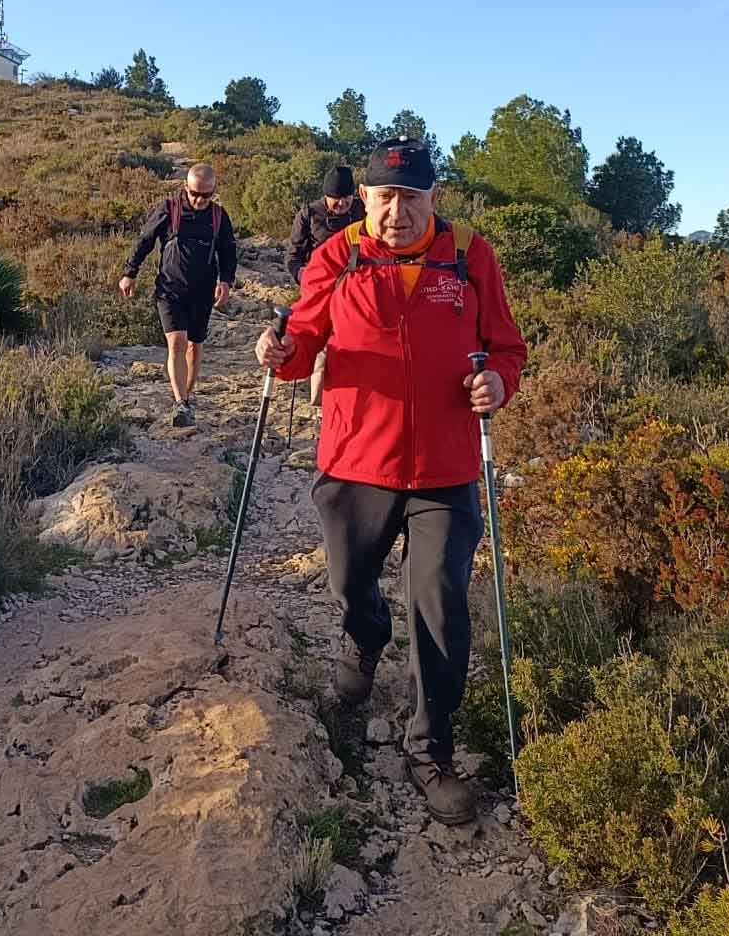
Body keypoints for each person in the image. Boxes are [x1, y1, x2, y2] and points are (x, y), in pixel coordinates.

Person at [255, 137, 527, 827]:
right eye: (384, 198)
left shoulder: (469, 255)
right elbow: (304, 342)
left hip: (446, 467)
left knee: (438, 602)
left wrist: (498, 380)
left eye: (411, 198)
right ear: (365, 198)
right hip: (355, 459)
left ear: (435, 197)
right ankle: (366, 638)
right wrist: (280, 352)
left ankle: (431, 749)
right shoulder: (338, 253)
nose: (396, 213)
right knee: (349, 582)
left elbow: (506, 346)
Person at [121, 162, 238, 422]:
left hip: (203, 291)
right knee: (177, 342)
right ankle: (180, 402)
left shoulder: (219, 217)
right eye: (195, 193)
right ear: (185, 187)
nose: (199, 200)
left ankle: (187, 395)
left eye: (206, 195)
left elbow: (228, 252)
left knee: (195, 346)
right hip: (170, 289)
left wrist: (226, 281)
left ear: (214, 191)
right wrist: (130, 273)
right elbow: (145, 241)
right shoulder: (169, 209)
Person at [286, 164, 365, 406]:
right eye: (335, 199)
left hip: (358, 294)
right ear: (325, 196)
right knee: (320, 351)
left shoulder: (366, 212)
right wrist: (307, 278)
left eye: (346, 198)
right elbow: (293, 256)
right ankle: (317, 405)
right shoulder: (309, 214)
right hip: (320, 293)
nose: (341, 204)